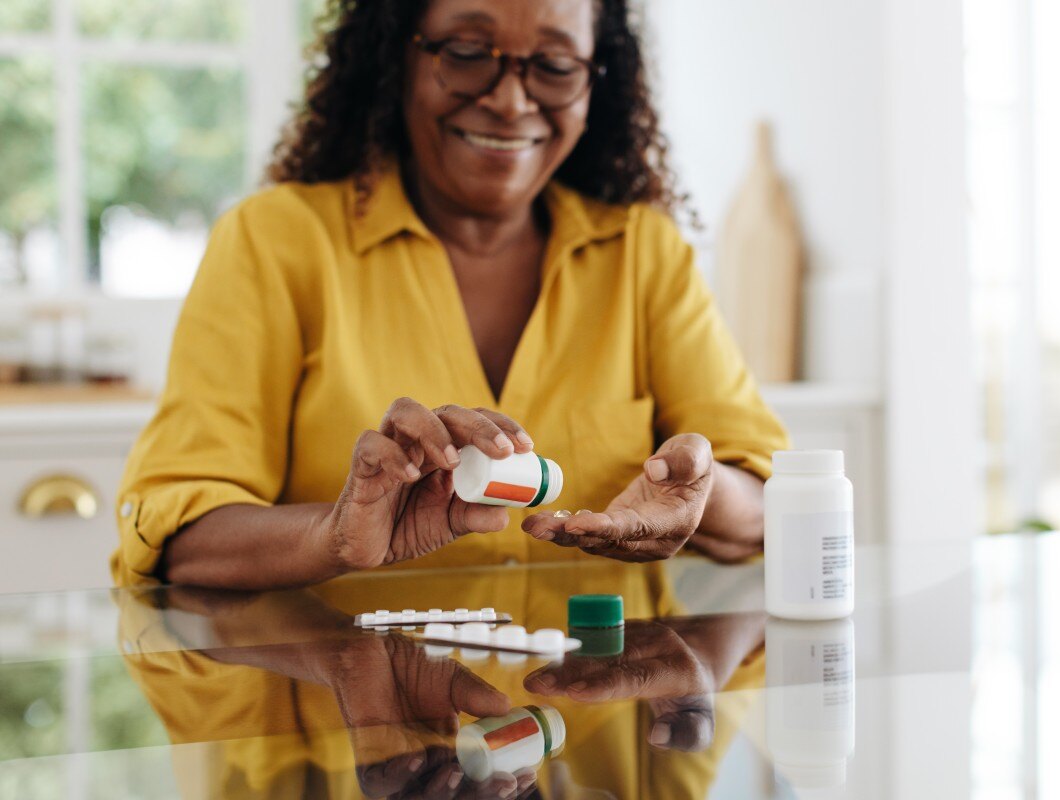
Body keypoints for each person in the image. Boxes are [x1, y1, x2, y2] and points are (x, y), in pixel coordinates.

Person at [111, 0, 789, 589]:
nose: (511, 100)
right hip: (345, 723)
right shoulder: (276, 241)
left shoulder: (644, 253)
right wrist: (336, 534)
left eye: (554, 65)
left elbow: (766, 496)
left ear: (594, 82)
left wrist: (698, 495)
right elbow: (178, 532)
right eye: (468, 52)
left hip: (596, 724)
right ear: (394, 58)